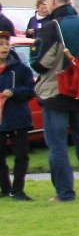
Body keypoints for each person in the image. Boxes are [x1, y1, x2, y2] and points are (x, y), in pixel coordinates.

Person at [30, 0, 79, 201]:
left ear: (52, 1)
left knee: (58, 145)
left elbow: (40, 63)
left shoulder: (51, 27)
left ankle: (65, 192)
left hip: (56, 92)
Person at [0, 35, 36, 199]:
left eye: (6, 44)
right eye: (1, 44)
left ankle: (18, 190)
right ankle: (5, 189)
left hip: (18, 119)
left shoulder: (21, 69)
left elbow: (31, 90)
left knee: (21, 155)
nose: (4, 48)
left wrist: (15, 91)